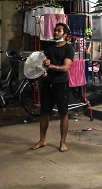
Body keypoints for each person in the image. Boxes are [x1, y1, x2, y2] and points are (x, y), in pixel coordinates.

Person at [31, 22, 74, 152]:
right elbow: (44, 62)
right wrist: (43, 68)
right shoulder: (48, 46)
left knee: (63, 113)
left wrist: (51, 66)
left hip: (61, 84)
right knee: (44, 112)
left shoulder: (69, 49)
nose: (55, 32)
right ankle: (42, 140)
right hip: (47, 83)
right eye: (55, 30)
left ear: (65, 34)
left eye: (59, 31)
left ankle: (63, 142)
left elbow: (66, 67)